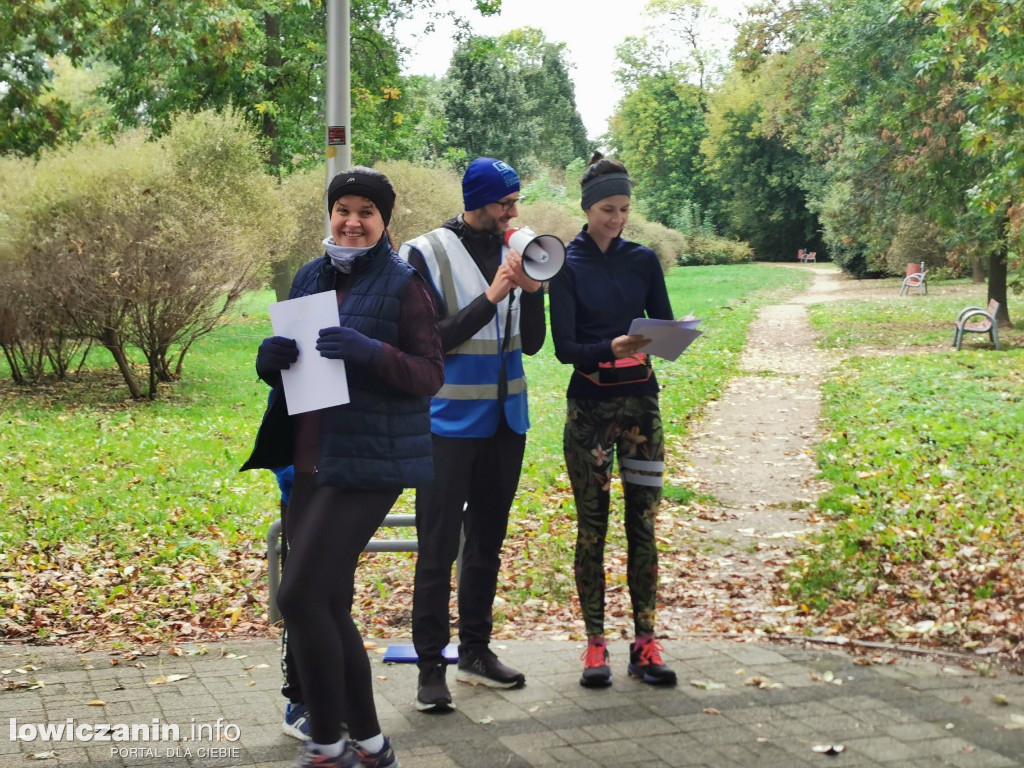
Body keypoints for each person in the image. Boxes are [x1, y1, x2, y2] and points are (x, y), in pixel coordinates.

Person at [242, 167, 444, 767]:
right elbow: (296, 367)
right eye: (343, 209)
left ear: (385, 223)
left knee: (300, 598)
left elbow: (429, 375)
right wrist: (268, 362)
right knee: (326, 603)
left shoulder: (405, 285)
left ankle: (328, 744)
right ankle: (373, 746)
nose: (352, 221)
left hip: (371, 461)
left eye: (366, 212)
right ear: (330, 214)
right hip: (310, 457)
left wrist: (372, 352)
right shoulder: (309, 275)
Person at [399, 157, 545, 713]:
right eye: (504, 204)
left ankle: (477, 653)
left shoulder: (519, 250)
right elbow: (428, 342)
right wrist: (492, 294)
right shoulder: (425, 253)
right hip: (447, 425)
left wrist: (532, 291)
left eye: (515, 203)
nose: (513, 213)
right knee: (436, 549)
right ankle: (430, 668)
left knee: (486, 544)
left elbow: (532, 345)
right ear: (477, 202)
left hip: (507, 423)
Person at [548, 153, 678, 689]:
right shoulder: (565, 264)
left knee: (643, 525)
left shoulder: (642, 260)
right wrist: (611, 348)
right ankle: (595, 643)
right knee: (592, 529)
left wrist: (665, 339)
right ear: (587, 208)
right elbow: (565, 349)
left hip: (640, 410)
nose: (617, 218)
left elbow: (665, 324)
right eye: (608, 209)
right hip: (590, 413)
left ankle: (645, 641)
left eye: (624, 209)